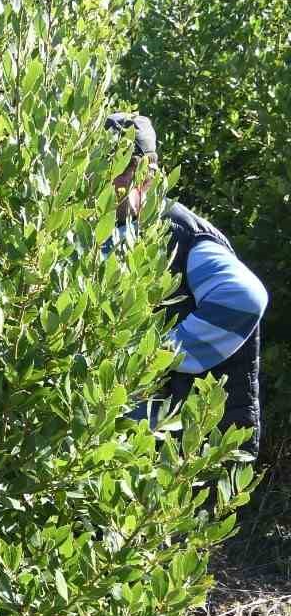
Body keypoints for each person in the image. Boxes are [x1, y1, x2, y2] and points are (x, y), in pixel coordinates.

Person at [106, 113, 268, 458]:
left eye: (120, 168)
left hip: (178, 452)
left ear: (148, 174)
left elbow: (243, 298)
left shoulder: (181, 234)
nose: (106, 180)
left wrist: (152, 359)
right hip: (116, 443)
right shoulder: (99, 230)